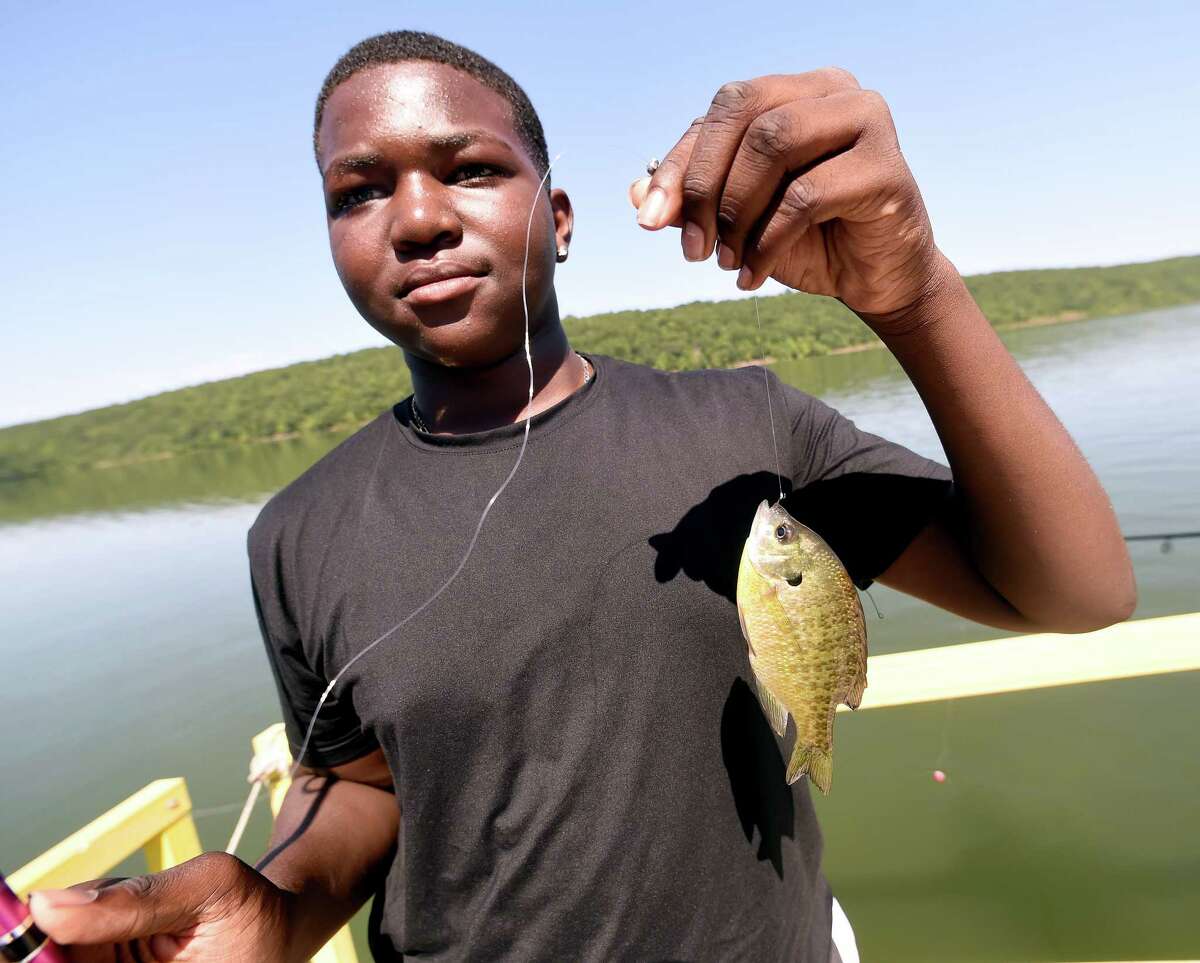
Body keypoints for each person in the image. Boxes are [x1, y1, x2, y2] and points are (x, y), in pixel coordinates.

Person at [28, 29, 1134, 963]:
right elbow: (361, 787)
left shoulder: (747, 429)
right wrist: (276, 909)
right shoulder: (297, 532)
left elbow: (1076, 591)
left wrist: (915, 292)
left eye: (468, 169)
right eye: (359, 191)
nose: (416, 218)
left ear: (559, 218)